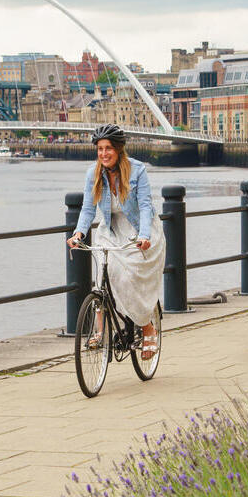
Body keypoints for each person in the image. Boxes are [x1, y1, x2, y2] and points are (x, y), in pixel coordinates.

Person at [67, 124, 165, 359]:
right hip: (110, 229)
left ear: (119, 149)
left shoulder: (137, 170)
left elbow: (144, 207)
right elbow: (88, 209)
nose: (104, 154)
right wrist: (78, 233)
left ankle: (147, 326)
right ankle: (100, 331)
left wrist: (144, 236)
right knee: (103, 273)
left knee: (128, 275)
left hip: (139, 229)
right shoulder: (93, 173)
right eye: (100, 149)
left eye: (108, 148)